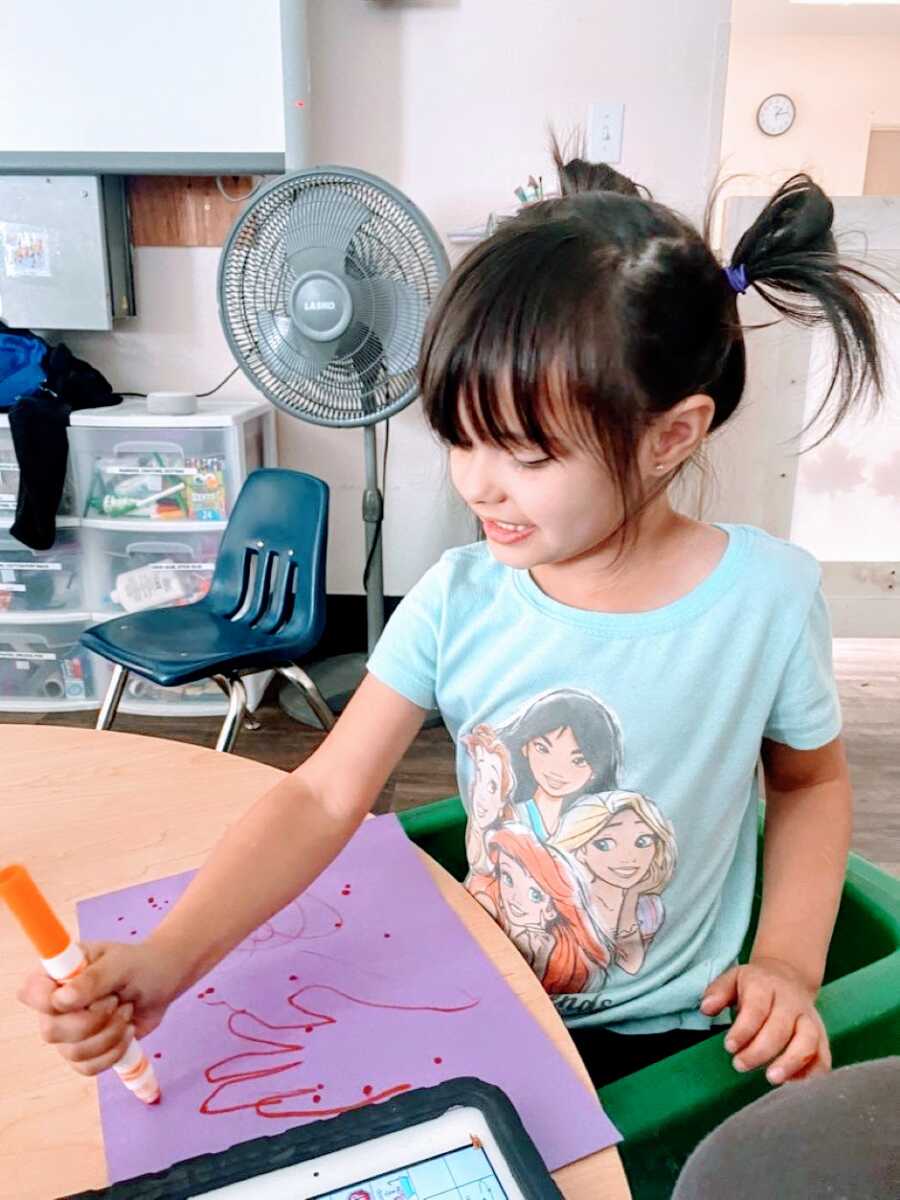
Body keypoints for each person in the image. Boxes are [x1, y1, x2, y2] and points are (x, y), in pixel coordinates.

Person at [19, 173, 890, 1090]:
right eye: (459, 438)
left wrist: (790, 965)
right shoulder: (457, 597)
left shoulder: (767, 599)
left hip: (673, 1040)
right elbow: (321, 798)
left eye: (526, 452)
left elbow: (808, 786)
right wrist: (169, 958)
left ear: (671, 436)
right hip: (486, 1000)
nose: (478, 485)